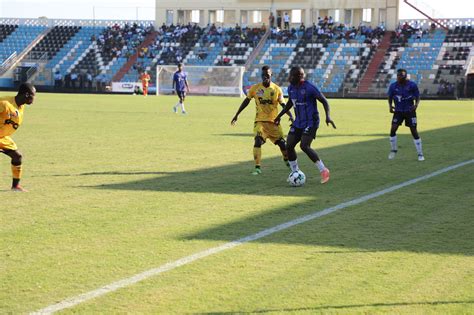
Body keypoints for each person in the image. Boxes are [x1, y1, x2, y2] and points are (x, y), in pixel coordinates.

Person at [274, 66, 336, 184]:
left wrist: (328, 116)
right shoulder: (291, 88)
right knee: (289, 146)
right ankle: (295, 172)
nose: (289, 78)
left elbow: (324, 101)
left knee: (304, 146)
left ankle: (324, 170)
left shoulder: (310, 88)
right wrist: (279, 116)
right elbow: (289, 104)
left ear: (299, 77)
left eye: (291, 76)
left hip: (311, 122)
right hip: (298, 122)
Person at [231, 66, 293, 175]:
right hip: (260, 121)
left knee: (283, 145)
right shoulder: (255, 88)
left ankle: (286, 160)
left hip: (274, 122)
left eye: (267, 75)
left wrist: (291, 116)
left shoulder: (277, 89)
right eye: (263, 75)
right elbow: (246, 101)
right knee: (257, 140)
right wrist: (237, 114)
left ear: (271, 75)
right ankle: (257, 167)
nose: (265, 77)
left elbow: (284, 105)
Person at [0, 83, 36, 192]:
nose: (34, 98)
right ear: (26, 95)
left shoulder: (21, 105)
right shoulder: (4, 103)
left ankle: (15, 186)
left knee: (17, 156)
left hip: (2, 137)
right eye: (33, 95)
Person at [387, 68, 424, 161]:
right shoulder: (393, 86)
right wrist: (390, 106)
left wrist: (416, 105)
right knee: (393, 129)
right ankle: (394, 150)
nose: (399, 77)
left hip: (410, 111)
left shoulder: (412, 85)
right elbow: (390, 97)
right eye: (398, 75)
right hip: (398, 111)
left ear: (405, 77)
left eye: (401, 76)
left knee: (414, 131)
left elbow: (418, 96)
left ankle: (420, 154)